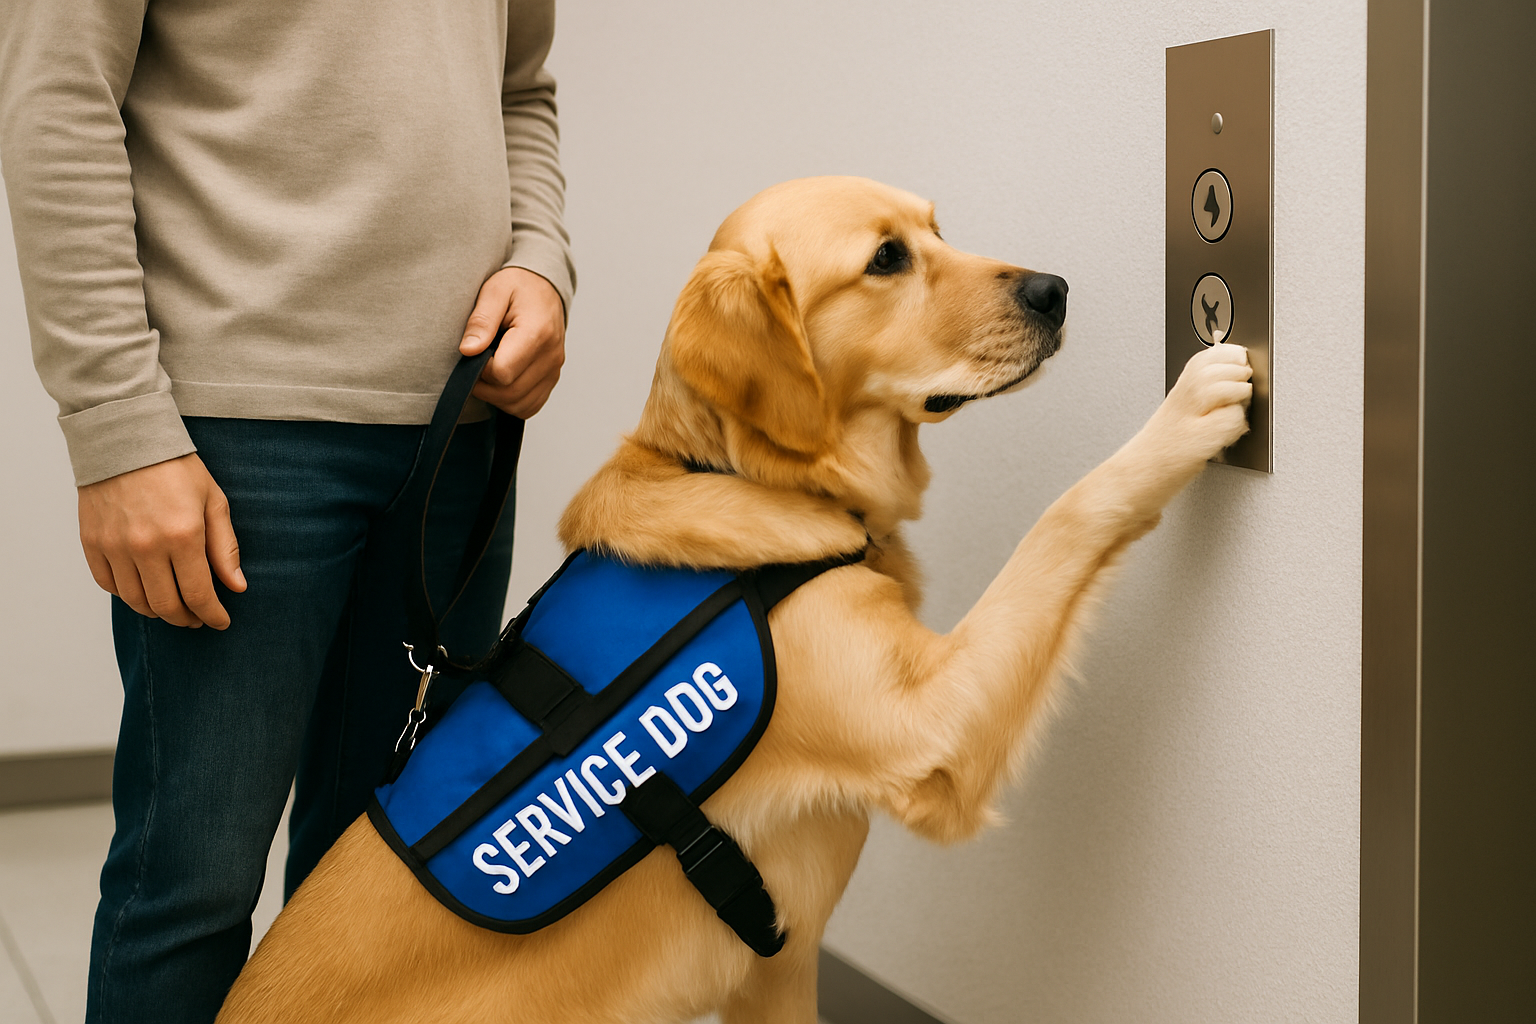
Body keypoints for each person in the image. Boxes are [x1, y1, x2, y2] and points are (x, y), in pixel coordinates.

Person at [0, 1, 574, 1020]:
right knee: (192, 884)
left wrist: (539, 257)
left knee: (394, 873)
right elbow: (56, 102)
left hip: (458, 431)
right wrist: (117, 430)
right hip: (240, 437)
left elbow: (519, 89)